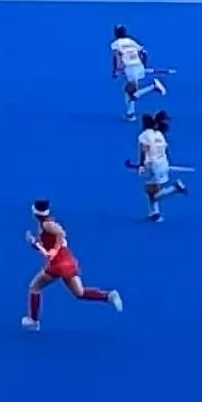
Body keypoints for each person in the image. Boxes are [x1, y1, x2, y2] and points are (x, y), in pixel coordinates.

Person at [24, 199, 123, 332]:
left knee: (34, 287)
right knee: (79, 292)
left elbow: (60, 234)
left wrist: (55, 249)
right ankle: (108, 296)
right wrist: (34, 243)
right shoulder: (45, 224)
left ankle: (33, 322)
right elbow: (46, 248)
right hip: (67, 260)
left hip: (58, 264)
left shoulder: (47, 224)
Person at [134, 113, 188, 222]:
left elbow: (143, 151)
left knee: (150, 192)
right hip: (163, 163)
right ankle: (155, 213)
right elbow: (165, 149)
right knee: (155, 188)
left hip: (152, 165)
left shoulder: (144, 135)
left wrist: (141, 165)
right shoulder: (159, 134)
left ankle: (174, 189)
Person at [111, 24, 165, 121]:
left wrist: (116, 70)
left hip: (130, 68)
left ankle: (153, 86)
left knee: (133, 93)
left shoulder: (115, 44)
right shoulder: (132, 41)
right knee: (128, 90)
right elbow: (144, 53)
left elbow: (117, 57)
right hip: (138, 65)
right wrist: (144, 65)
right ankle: (130, 114)